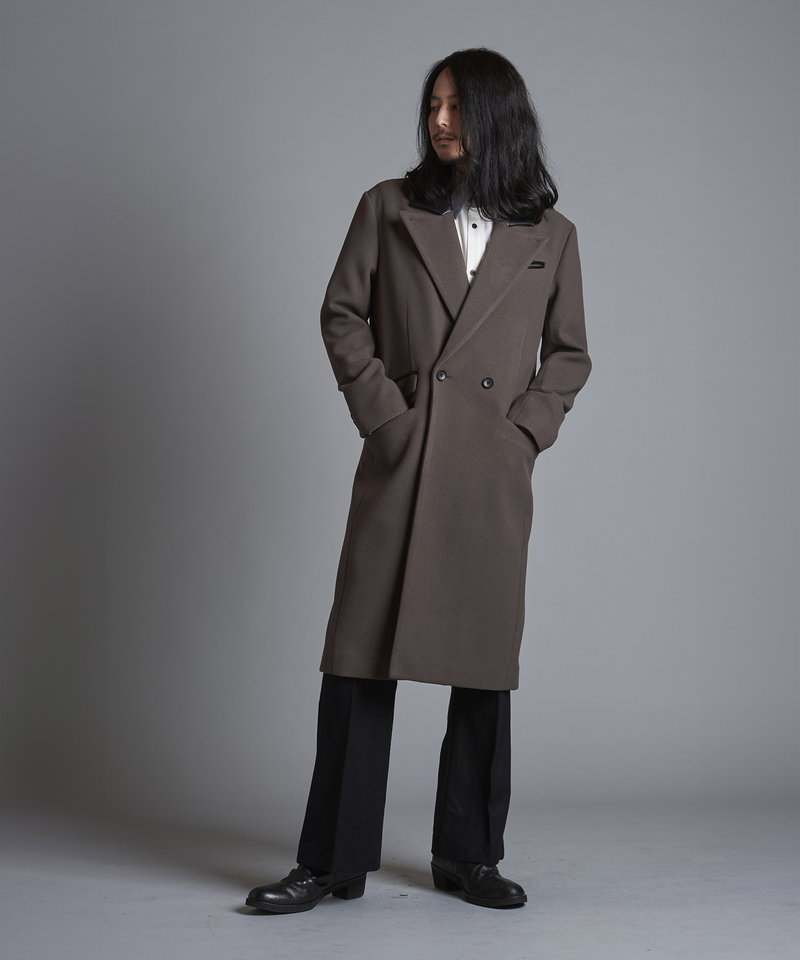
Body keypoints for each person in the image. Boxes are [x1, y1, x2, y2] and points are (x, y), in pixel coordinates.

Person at [245, 47, 591, 914]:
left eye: (456, 107)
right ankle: (332, 861)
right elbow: (341, 313)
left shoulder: (553, 236)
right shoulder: (387, 207)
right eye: (432, 105)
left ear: (497, 116)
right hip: (405, 458)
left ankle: (469, 857)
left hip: (489, 471)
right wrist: (385, 417)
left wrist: (525, 432)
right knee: (359, 658)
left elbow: (570, 354)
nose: (439, 121)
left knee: (483, 667)